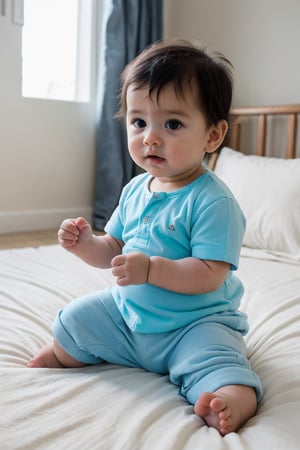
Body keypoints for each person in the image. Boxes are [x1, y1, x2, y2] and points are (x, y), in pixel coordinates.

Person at [28, 40, 263, 435]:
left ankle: (231, 399)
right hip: (129, 316)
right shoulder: (137, 189)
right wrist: (86, 245)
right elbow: (114, 250)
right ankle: (63, 353)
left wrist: (152, 269)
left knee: (217, 361)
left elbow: (209, 273)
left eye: (172, 124)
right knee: (75, 320)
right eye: (139, 122)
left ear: (213, 135)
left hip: (192, 324)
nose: (150, 137)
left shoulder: (213, 202)